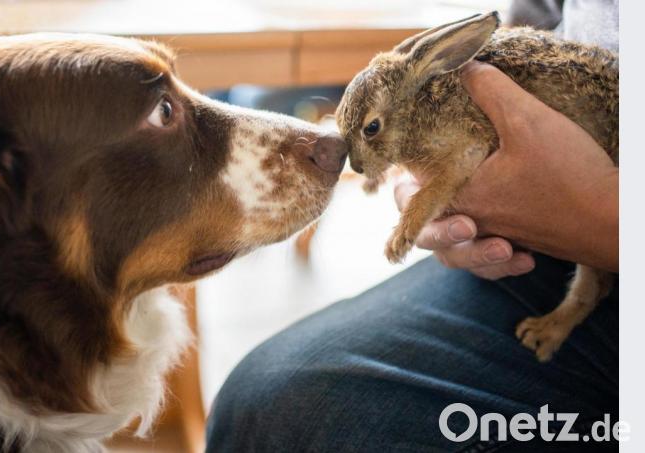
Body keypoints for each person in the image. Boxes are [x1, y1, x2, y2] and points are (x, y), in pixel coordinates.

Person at [205, 0, 619, 451]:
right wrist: (428, 185)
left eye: (372, 132)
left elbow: (458, 152)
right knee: (261, 404)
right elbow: (532, 27)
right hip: (533, 257)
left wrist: (606, 224)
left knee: (321, 421)